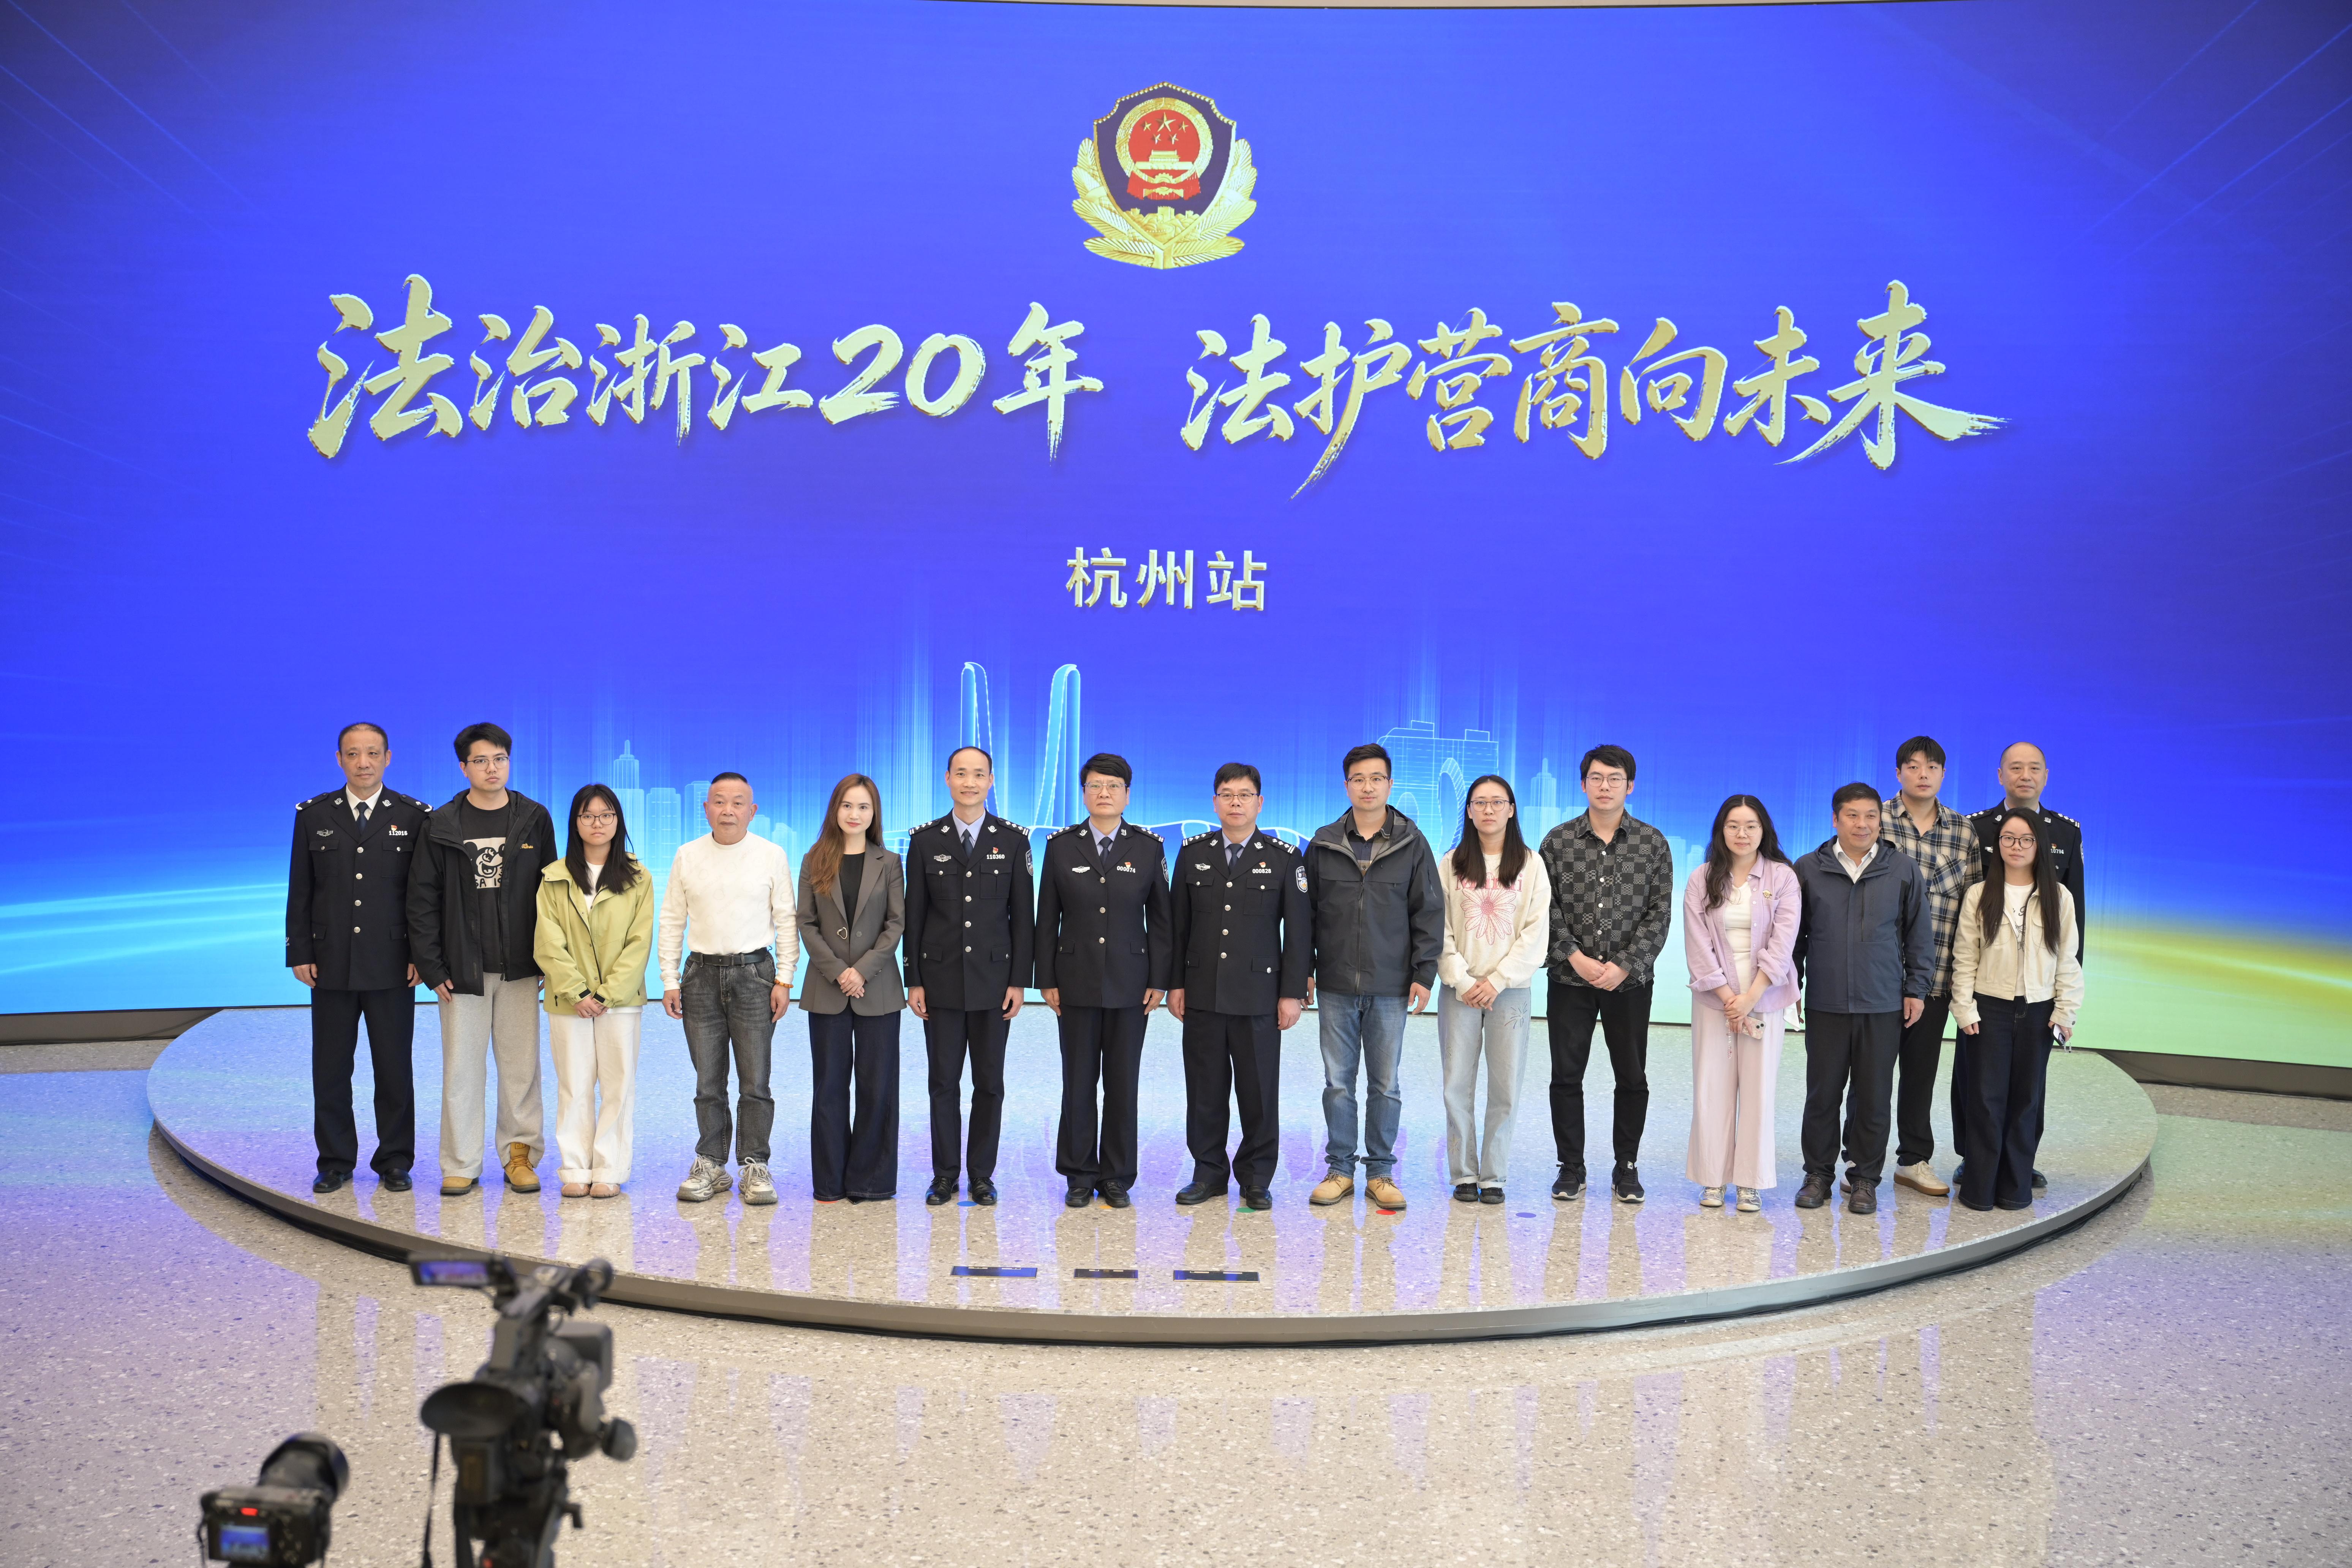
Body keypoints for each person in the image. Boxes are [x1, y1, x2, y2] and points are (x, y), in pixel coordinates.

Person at [407, 722, 556, 1198]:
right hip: (460, 971)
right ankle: (461, 1163)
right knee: (461, 1070)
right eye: (481, 761)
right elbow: (422, 900)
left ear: (509, 762)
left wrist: (548, 960)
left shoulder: (534, 817)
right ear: (464, 767)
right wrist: (433, 968)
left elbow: (552, 894)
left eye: (500, 759)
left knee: (521, 1069)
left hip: (520, 968)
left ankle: (519, 1157)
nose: (492, 769)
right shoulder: (441, 823)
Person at [286, 722, 430, 1195]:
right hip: (330, 963)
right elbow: (301, 889)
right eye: (353, 754)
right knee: (330, 1068)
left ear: (388, 757)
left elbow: (422, 894)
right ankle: (335, 1161)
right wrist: (300, 951)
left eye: (372, 753)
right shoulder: (314, 815)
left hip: (393, 963)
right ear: (339, 759)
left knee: (394, 1068)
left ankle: (395, 1159)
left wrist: (421, 955)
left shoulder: (413, 816)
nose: (363, 762)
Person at [1303, 743, 1443, 1212]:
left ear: (1390, 784)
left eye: (1377, 778)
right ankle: (1340, 1170)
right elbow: (1304, 915)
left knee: (1385, 1084)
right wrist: (1304, 970)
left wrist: (1424, 973)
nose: (1368, 787)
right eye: (1359, 779)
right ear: (1347, 785)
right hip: (1336, 984)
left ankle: (1381, 1173)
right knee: (1338, 1083)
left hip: (1390, 985)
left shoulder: (1412, 843)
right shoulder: (1324, 843)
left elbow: (1429, 911)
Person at [1167, 763, 1311, 1211]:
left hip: (1259, 997)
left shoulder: (1285, 857)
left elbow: (1300, 932)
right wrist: (1175, 985)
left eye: (1245, 795)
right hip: (1203, 993)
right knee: (1205, 1092)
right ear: (1215, 802)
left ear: (1259, 803)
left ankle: (1256, 1178)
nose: (1235, 802)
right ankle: (1208, 1173)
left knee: (1258, 1094)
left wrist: (1291, 993)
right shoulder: (1193, 854)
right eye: (1227, 794)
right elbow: (1177, 926)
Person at [1538, 744, 1675, 1205]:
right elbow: (1544, 907)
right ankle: (1570, 1166)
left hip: (1629, 983)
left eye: (1615, 779)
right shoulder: (1558, 842)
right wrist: (1573, 956)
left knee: (1632, 1076)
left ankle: (1627, 1166)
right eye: (1596, 778)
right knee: (1566, 1075)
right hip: (1569, 979)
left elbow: (1660, 913)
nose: (1605, 786)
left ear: (1630, 786)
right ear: (1583, 784)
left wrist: (1626, 965)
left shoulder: (1652, 843)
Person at [1035, 753, 1171, 1209]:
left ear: (1128, 795)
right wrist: (1046, 978)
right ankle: (1078, 1174)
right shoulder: (1061, 846)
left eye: (1113, 786)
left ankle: (1116, 1176)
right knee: (1077, 1081)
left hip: (1132, 984)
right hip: (1073, 981)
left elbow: (1162, 921)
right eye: (1095, 785)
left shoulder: (1148, 848)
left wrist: (1160, 979)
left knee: (1122, 1083)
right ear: (1084, 793)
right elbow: (1046, 918)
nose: (1104, 793)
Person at [1790, 783, 1932, 1216]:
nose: (1862, 824)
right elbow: (1794, 938)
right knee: (1822, 1095)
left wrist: (1916, 988)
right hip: (1827, 1003)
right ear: (1836, 820)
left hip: (1882, 1002)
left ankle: (1865, 1178)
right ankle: (1817, 1174)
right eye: (1852, 815)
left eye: (1871, 816)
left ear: (1880, 821)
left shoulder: (1902, 869)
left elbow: (1918, 934)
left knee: (1873, 1097)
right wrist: (1792, 986)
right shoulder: (1808, 869)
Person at [659, 772, 798, 1206]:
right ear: (706, 809)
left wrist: (785, 979)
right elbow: (672, 920)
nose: (728, 810)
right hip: (700, 976)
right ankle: (711, 1164)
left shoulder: (771, 855)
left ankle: (755, 1165)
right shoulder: (688, 855)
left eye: (738, 803)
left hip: (755, 976)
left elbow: (787, 920)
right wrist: (669, 979)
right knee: (708, 1081)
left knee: (755, 1081)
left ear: (752, 811)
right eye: (719, 801)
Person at [904, 746, 1033, 1208]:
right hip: (939, 982)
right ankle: (944, 1176)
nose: (970, 782)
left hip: (994, 983)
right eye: (961, 774)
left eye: (979, 774)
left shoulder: (1013, 841)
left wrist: (1019, 981)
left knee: (989, 1084)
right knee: (943, 1083)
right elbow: (915, 915)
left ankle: (982, 1176)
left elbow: (1024, 917)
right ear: (948, 779)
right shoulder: (925, 841)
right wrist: (913, 979)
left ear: (991, 781)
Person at [1949, 809, 2083, 1211]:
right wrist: (1964, 1009)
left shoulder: (2059, 897)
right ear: (1998, 845)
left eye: (2026, 840)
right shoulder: (1979, 895)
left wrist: (2065, 1011)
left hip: (2039, 1012)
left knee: (2027, 1102)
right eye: (2008, 838)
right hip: (1988, 1010)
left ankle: (2015, 1189)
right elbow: (1965, 958)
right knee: (1985, 1101)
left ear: (2039, 846)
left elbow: (2068, 960)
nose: (2017, 847)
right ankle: (1979, 1189)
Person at [1435, 775, 1551, 1206]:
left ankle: (1494, 1176)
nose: (1488, 810)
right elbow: (1437, 927)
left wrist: (1498, 980)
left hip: (1510, 991)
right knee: (1456, 1085)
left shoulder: (1531, 865)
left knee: (1506, 1087)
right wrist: (1464, 980)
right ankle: (1464, 1174)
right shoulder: (1451, 864)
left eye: (1497, 802)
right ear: (1468, 811)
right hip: (1460, 990)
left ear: (1512, 809)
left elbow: (1536, 932)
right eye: (1480, 803)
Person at [1682, 796, 1801, 1213]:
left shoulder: (1783, 877)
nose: (1742, 834)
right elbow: (1697, 945)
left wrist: (1750, 998)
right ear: (1721, 830)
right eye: (1733, 825)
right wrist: (1728, 998)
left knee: (1758, 1092)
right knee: (1711, 1089)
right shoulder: (1702, 878)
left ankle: (1750, 1182)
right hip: (1715, 1001)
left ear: (1764, 830)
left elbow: (1783, 944)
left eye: (1751, 826)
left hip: (1764, 999)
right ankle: (1713, 1179)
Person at [534, 784, 653, 1198]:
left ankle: (609, 1169)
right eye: (587, 816)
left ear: (618, 821)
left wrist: (606, 995)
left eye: (606, 815)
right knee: (574, 1085)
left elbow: (639, 942)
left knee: (618, 1087)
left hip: (620, 1002)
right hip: (568, 1002)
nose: (597, 823)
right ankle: (575, 1169)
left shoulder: (638, 876)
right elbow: (548, 942)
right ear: (576, 823)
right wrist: (578, 992)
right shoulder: (554, 877)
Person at [796, 773, 906, 1204]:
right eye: (847, 805)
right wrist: (839, 971)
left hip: (878, 989)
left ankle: (871, 1181)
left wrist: (861, 971)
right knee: (829, 1088)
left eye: (863, 807)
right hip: (828, 989)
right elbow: (806, 923)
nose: (854, 814)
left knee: (878, 1087)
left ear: (874, 813)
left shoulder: (890, 862)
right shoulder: (814, 859)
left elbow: (896, 924)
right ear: (835, 810)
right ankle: (829, 1183)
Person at [1877, 736, 1977, 1198]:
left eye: (1932, 767)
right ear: (1898, 772)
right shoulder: (1873, 819)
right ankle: (1861, 1162)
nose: (1923, 774)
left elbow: (1974, 908)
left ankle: (1913, 1161)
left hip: (1934, 979)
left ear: (1943, 774)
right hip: (1876, 978)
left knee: (1920, 1076)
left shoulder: (1963, 831)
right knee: (1871, 1076)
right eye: (1914, 766)